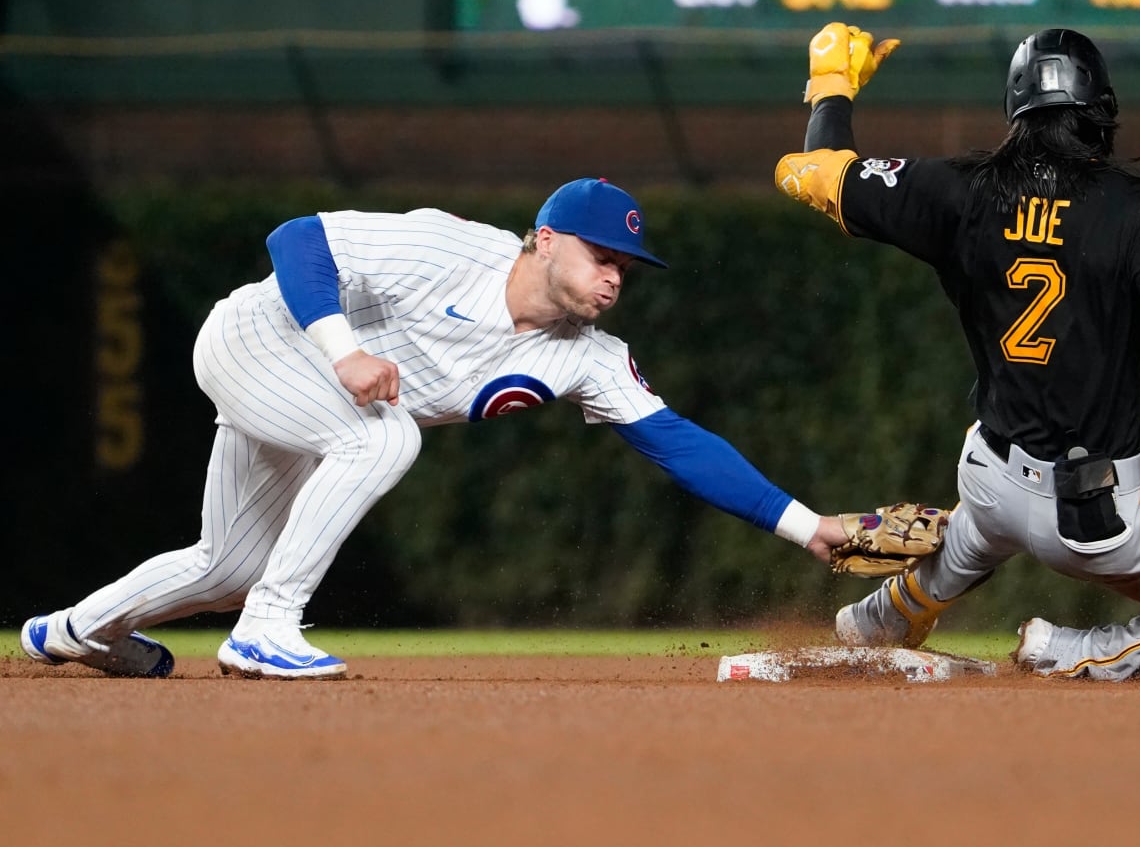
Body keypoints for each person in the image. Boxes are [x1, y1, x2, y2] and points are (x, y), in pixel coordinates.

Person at [22, 177, 850, 680]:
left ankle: (73, 632)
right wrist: (344, 352)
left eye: (624, 269)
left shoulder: (589, 357)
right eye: (600, 257)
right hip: (257, 340)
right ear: (546, 239)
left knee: (225, 563)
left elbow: (678, 441)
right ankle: (268, 632)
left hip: (316, 394)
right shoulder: (450, 250)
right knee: (384, 437)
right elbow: (297, 239)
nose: (613, 278)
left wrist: (810, 528)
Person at [775, 23, 1140, 680]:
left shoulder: (960, 191)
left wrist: (831, 85)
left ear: (1015, 114)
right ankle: (1078, 651)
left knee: (981, 523)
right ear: (1104, 113)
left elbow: (809, 174)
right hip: (1096, 517)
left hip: (989, 476)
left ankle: (886, 614)